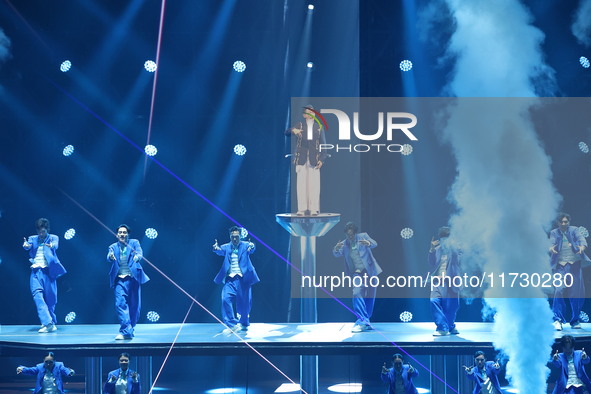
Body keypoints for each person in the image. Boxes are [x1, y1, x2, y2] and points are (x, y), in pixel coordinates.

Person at [333, 221, 382, 332]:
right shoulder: (345, 244)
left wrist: (368, 243)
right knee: (357, 292)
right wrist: (336, 248)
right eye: (348, 235)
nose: (350, 237)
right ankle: (361, 321)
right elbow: (336, 254)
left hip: (370, 271)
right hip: (357, 273)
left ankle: (366, 321)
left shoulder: (363, 236)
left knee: (370, 297)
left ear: (355, 233)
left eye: (352, 235)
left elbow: (374, 243)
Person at [23, 218, 67, 333]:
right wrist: (26, 245)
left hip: (49, 272)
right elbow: (28, 245)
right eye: (39, 232)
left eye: (43, 231)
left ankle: (50, 321)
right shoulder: (33, 238)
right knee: (37, 296)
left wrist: (51, 245)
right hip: (36, 272)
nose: (41, 234)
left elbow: (55, 245)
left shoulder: (53, 237)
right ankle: (47, 323)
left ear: (47, 230)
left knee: (51, 300)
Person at [213, 226, 259, 334]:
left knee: (245, 304)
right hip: (230, 280)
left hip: (244, 279)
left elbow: (252, 248)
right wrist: (216, 248)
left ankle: (243, 321)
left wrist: (252, 246)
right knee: (225, 299)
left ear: (239, 236)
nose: (234, 239)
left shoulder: (246, 245)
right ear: (230, 236)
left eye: (236, 236)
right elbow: (219, 250)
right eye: (232, 237)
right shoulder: (226, 247)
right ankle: (231, 324)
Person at [107, 224, 150, 340]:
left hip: (133, 278)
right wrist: (110, 257)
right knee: (120, 303)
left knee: (135, 306)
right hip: (119, 279)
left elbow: (139, 252)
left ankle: (131, 328)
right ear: (117, 235)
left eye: (124, 232)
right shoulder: (112, 247)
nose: (122, 234)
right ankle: (125, 330)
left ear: (127, 234)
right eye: (120, 232)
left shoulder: (134, 243)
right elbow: (109, 256)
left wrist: (137, 257)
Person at [549, 213, 590, 331]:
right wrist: (552, 248)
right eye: (561, 222)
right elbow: (551, 244)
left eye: (565, 221)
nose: (563, 224)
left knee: (576, 294)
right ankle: (558, 320)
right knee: (559, 290)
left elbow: (582, 241)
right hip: (560, 266)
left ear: (569, 222)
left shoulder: (574, 230)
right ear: (558, 223)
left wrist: (582, 247)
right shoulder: (554, 232)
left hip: (574, 266)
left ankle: (575, 320)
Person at [285, 106, 327, 215]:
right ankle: (302, 209)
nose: (309, 114)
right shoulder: (300, 125)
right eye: (307, 113)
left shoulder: (318, 127)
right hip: (301, 158)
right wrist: (293, 130)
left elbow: (324, 145)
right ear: (304, 115)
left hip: (314, 159)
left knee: (314, 185)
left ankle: (313, 208)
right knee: (301, 184)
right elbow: (286, 132)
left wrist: (322, 159)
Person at [429, 226, 462, 336]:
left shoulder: (456, 248)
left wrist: (453, 245)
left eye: (446, 237)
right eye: (442, 237)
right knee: (434, 301)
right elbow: (432, 263)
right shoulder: (438, 249)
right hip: (438, 281)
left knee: (451, 306)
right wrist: (432, 250)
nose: (444, 240)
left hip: (451, 281)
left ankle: (450, 326)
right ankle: (442, 327)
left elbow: (458, 260)